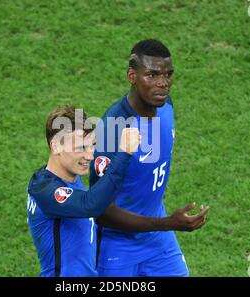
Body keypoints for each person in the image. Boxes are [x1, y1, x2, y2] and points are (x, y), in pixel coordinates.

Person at [27, 106, 207, 277]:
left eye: (92, 146)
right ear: (56, 146)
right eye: (81, 148)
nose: (90, 156)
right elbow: (89, 205)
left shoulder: (69, 178)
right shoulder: (43, 189)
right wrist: (124, 154)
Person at [89, 39, 209, 277]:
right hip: (117, 249)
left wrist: (164, 226)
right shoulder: (114, 129)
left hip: (159, 242)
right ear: (132, 76)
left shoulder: (165, 106)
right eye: (152, 75)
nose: (163, 84)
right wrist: (168, 224)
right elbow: (100, 210)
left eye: (168, 75)